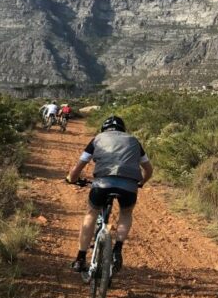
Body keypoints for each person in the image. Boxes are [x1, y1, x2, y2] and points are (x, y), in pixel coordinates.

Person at [65, 115, 153, 273]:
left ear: (104, 129)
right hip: (129, 185)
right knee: (126, 213)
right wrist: (141, 182)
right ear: (122, 129)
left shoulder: (97, 139)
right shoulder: (134, 141)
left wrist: (72, 179)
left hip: (102, 183)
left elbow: (80, 166)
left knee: (91, 213)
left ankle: (80, 258)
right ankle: (117, 250)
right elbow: (148, 170)